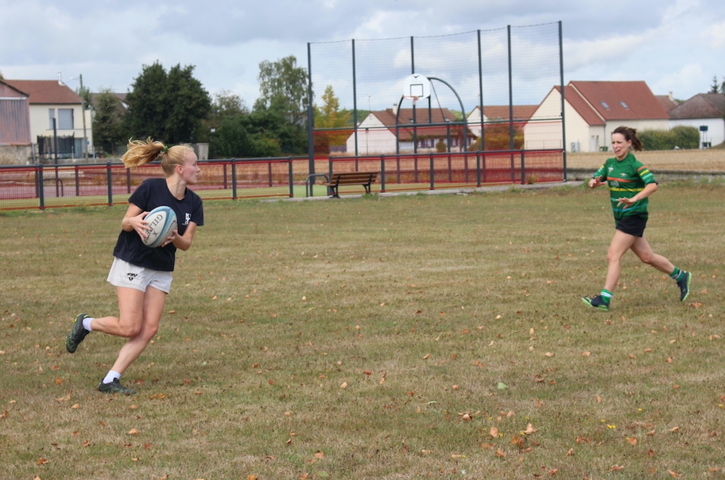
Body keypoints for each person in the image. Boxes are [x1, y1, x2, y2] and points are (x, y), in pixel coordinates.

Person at [66, 138, 204, 394]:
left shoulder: (194, 203)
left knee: (149, 328)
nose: (199, 169)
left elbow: (187, 244)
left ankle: (110, 380)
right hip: (133, 261)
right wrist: (136, 223)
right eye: (195, 164)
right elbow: (125, 221)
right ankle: (86, 323)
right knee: (130, 326)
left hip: (162, 268)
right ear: (180, 168)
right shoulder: (151, 188)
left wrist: (175, 237)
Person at [582, 126, 691, 311]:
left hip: (634, 215)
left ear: (629, 143)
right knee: (647, 257)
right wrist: (593, 183)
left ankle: (605, 298)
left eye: (619, 143)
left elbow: (652, 185)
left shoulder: (635, 164)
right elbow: (595, 178)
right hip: (621, 216)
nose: (616, 146)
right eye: (613, 142)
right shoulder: (609, 163)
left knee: (613, 255)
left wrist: (634, 198)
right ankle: (681, 276)